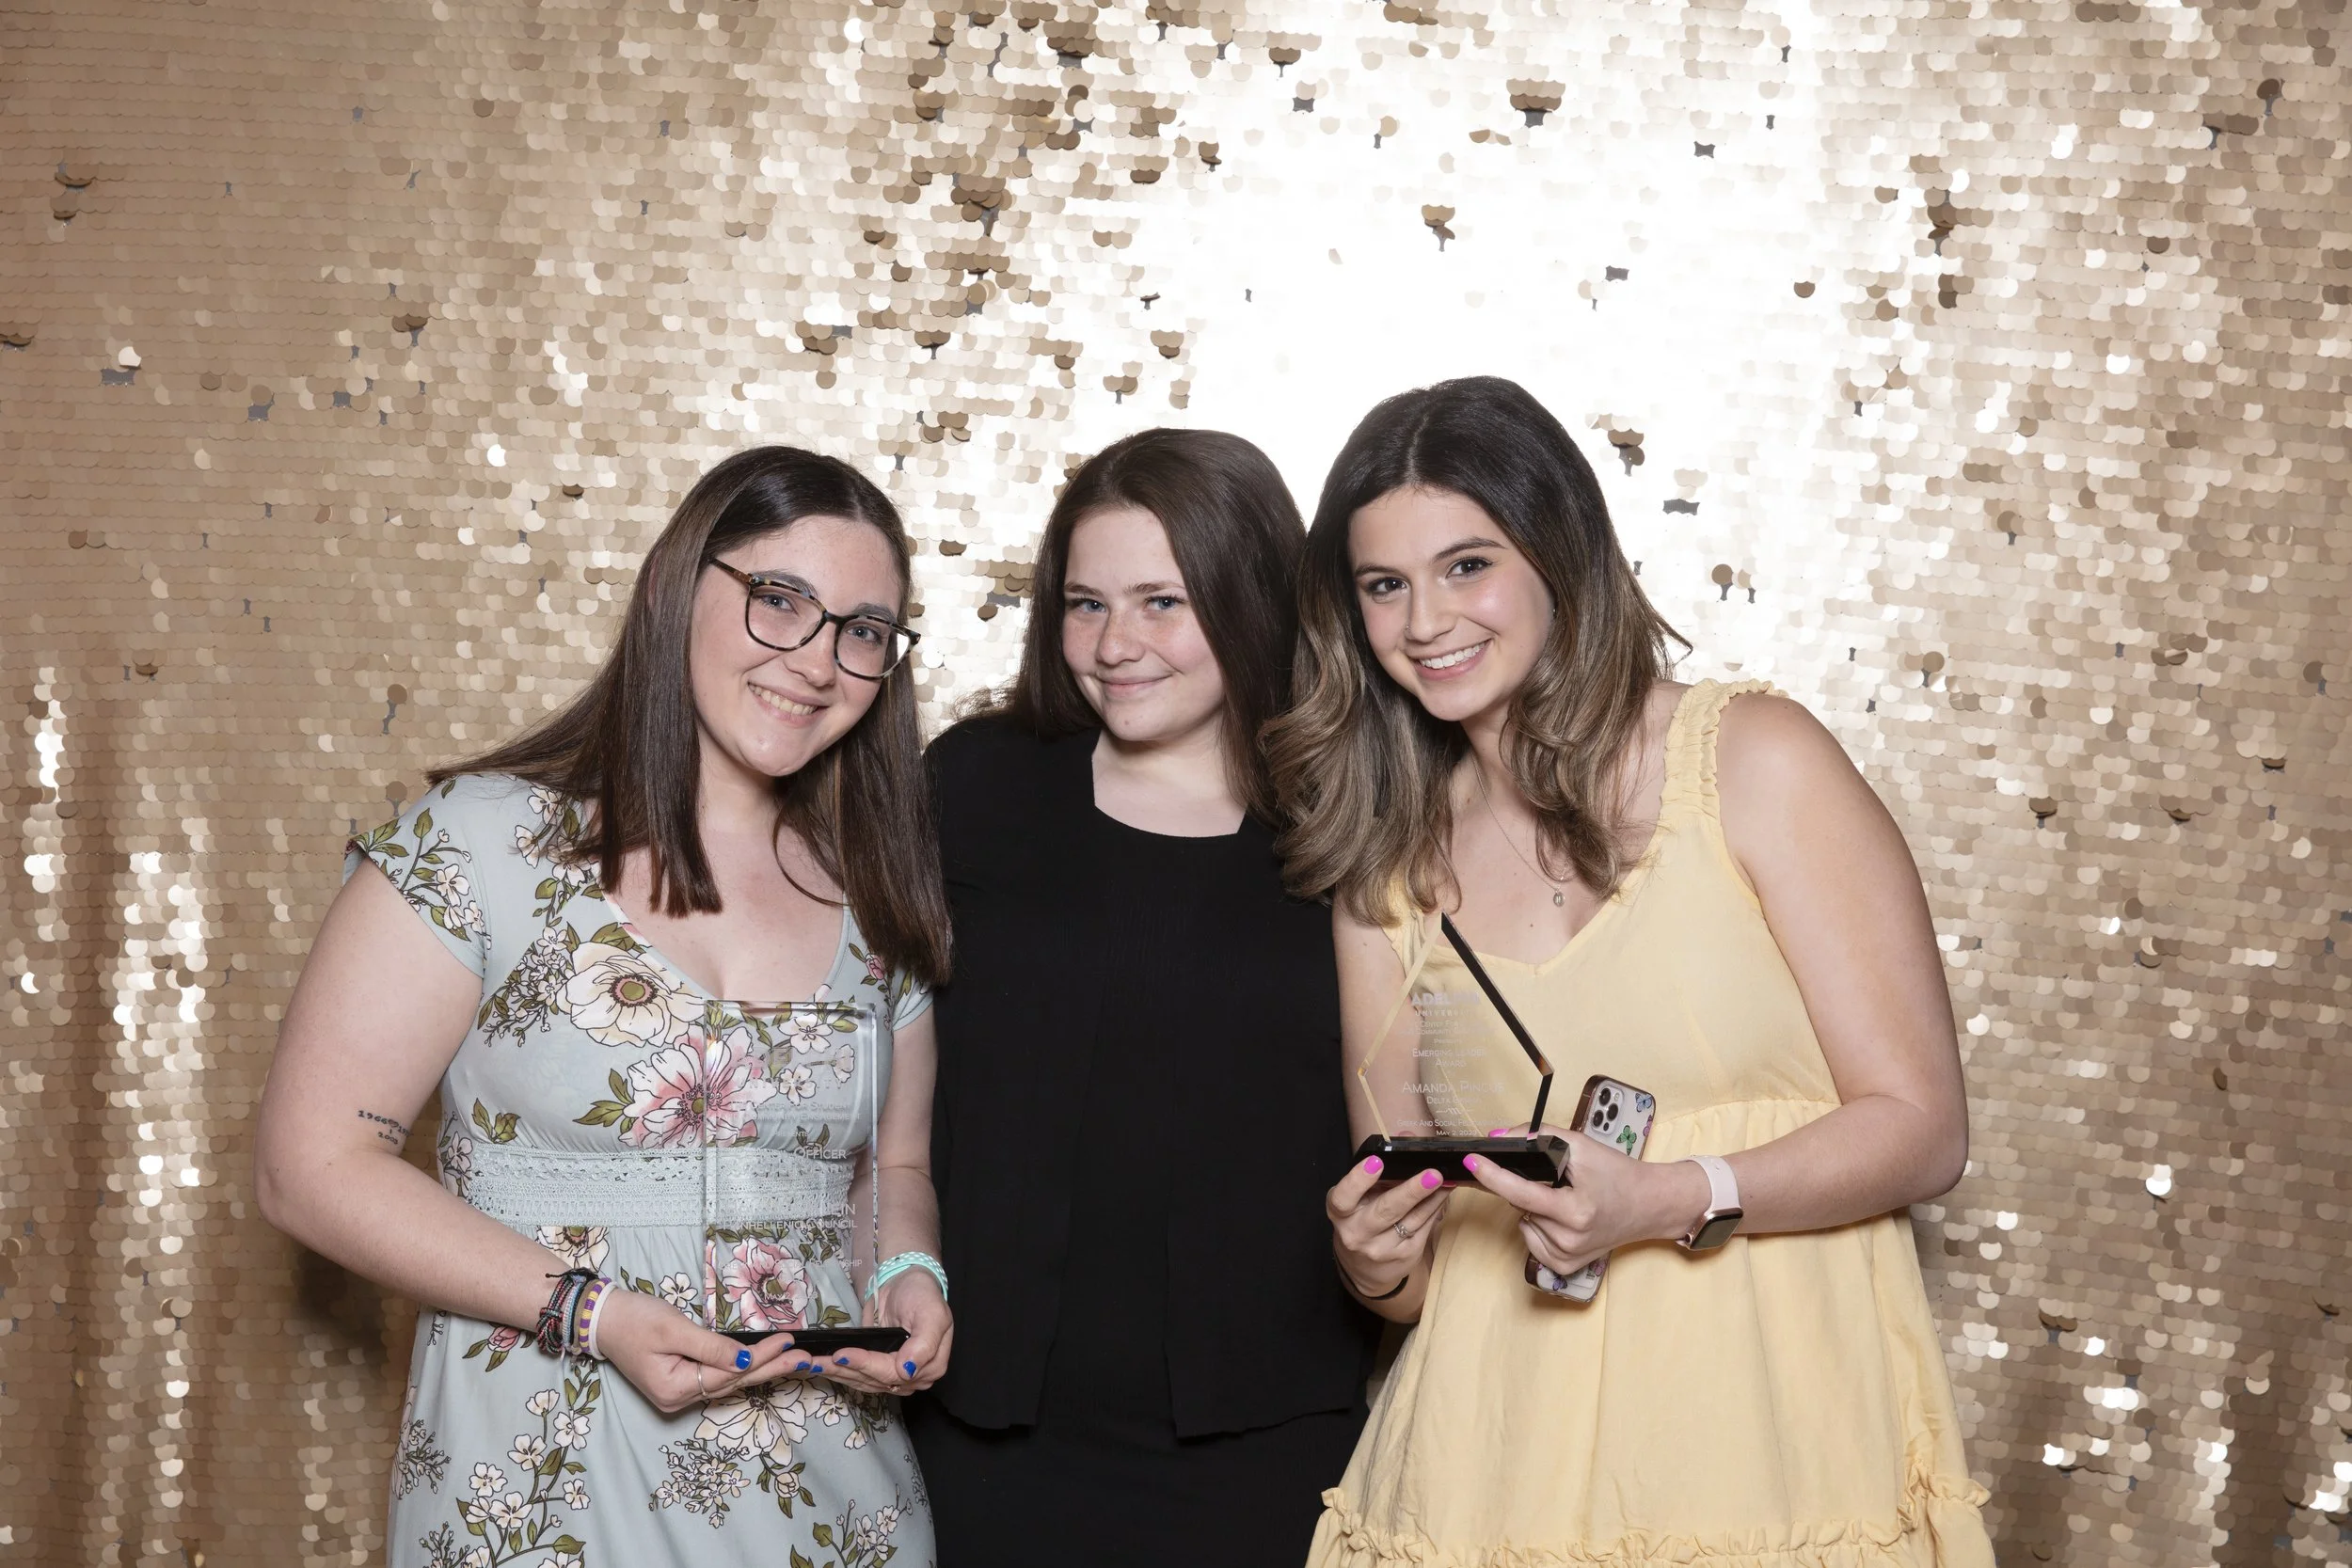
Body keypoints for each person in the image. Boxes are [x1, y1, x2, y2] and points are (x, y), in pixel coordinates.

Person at [1266, 377, 1996, 1567]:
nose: (1423, 620)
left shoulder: (1753, 761)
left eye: (1467, 564)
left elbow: (1923, 1129)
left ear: (1560, 553)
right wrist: (1373, 1259)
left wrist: (1668, 1193)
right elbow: (1418, 1265)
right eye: (1382, 584)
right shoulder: (1382, 869)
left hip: (1767, 1445)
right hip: (1489, 1472)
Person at [256, 446, 955, 1567]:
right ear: (678, 585)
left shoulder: (877, 889)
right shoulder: (482, 841)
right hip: (542, 1477)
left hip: (834, 1498)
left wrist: (904, 1272)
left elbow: (894, 1170)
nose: (817, 660)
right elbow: (310, 1167)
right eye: (781, 601)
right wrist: (594, 1313)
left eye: (861, 629)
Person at [907, 429, 1380, 1566]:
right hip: (980, 1432)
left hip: (1260, 1448)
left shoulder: (1355, 824)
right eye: (1084, 603)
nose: (1115, 644)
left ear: (1249, 595)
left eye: (1162, 601)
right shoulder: (975, 785)